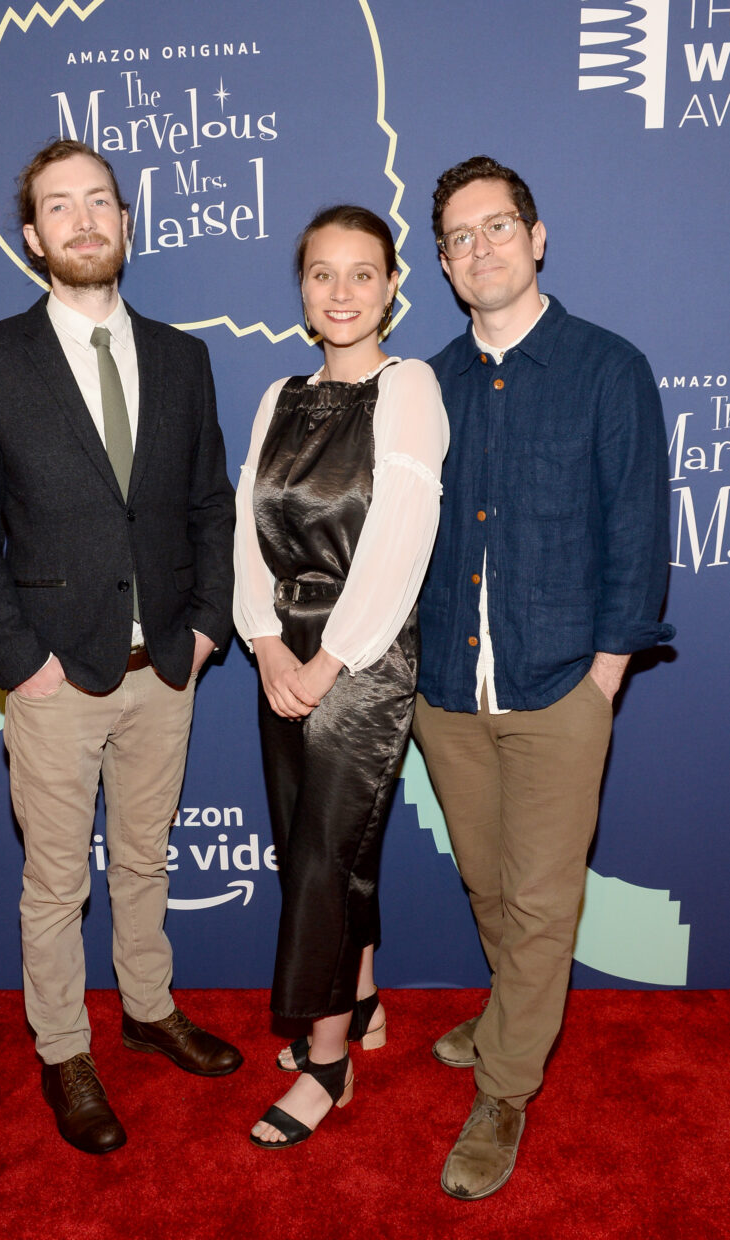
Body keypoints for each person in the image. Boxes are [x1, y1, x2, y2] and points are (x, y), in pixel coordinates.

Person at [0, 139, 241, 1156]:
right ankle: (64, 1048)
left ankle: (148, 1009)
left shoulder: (184, 358)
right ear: (33, 236)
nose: (83, 220)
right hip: (54, 675)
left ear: (126, 220)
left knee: (147, 859)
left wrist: (206, 627)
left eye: (99, 201)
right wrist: (21, 661)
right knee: (56, 882)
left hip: (167, 667)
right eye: (59, 206)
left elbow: (209, 504)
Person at [412, 155, 674, 1200]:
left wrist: (604, 672)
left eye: (496, 226)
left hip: (562, 681)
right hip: (447, 687)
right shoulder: (426, 385)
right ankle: (512, 1011)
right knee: (486, 881)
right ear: (443, 264)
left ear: (536, 236)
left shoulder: (608, 368)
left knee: (539, 894)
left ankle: (506, 1088)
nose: (479, 248)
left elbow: (637, 531)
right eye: (459, 237)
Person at [234, 205, 448, 1148]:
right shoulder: (278, 395)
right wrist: (264, 641)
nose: (341, 291)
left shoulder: (410, 387)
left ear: (392, 286)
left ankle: (328, 1063)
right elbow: (243, 529)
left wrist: (329, 659)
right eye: (322, 273)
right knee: (313, 851)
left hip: (362, 655)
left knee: (325, 858)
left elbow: (400, 537)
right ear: (301, 289)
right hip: (283, 653)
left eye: (363, 273)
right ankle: (358, 999)